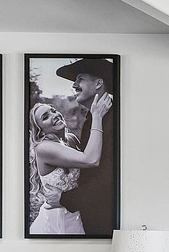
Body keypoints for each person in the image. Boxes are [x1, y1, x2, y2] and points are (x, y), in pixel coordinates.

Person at [29, 94, 112, 235]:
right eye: (45, 117)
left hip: (77, 211)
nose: (54, 115)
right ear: (40, 130)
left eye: (53, 110)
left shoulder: (71, 139)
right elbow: (91, 160)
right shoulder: (44, 148)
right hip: (57, 218)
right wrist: (97, 116)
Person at [52, 57, 117, 235]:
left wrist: (65, 199)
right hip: (92, 216)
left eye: (80, 78)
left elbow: (109, 177)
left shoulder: (114, 120)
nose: (74, 85)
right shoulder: (95, 118)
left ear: (98, 83)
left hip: (105, 220)